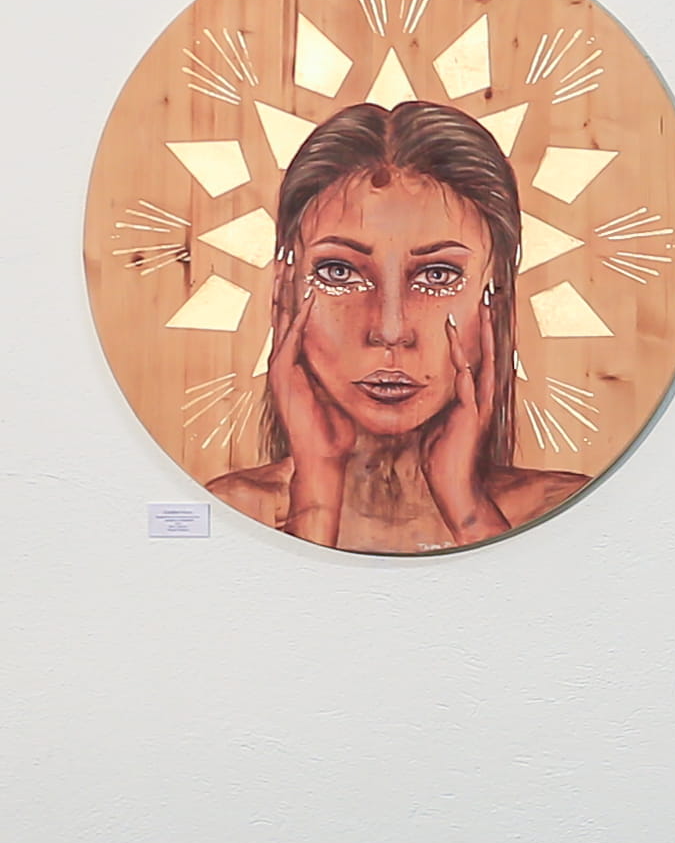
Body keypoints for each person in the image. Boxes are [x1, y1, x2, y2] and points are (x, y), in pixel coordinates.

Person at [210, 100, 590, 552]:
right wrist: (315, 500)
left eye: (437, 276)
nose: (390, 330)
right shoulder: (228, 512)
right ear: (285, 291)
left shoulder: (568, 513)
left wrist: (466, 508)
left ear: (496, 296)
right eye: (338, 272)